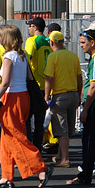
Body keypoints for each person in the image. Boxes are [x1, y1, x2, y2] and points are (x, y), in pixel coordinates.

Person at [0, 25, 53, 188]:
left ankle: (41, 167)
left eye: (0, 35)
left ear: (6, 38)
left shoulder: (8, 56)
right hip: (23, 97)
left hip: (12, 97)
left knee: (15, 136)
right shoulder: (22, 55)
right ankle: (6, 177)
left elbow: (5, 83)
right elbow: (29, 77)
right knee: (7, 137)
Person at [44, 30, 82, 168]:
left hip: (60, 96)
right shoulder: (73, 56)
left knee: (61, 130)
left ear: (52, 42)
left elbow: (49, 78)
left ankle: (65, 159)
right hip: (73, 94)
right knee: (68, 129)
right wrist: (79, 94)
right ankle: (60, 155)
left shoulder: (53, 57)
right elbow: (79, 77)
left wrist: (46, 96)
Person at [67, 29, 95, 185]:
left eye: (83, 43)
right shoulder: (92, 58)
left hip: (92, 106)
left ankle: (85, 175)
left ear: (92, 43)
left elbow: (93, 87)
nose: (81, 45)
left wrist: (85, 109)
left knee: (88, 142)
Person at [25, 17, 51, 151]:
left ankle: (29, 147)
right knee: (40, 120)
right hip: (45, 84)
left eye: (30, 26)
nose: (29, 29)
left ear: (35, 27)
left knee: (27, 117)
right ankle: (38, 146)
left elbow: (27, 59)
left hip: (33, 83)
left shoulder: (32, 41)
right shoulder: (48, 42)